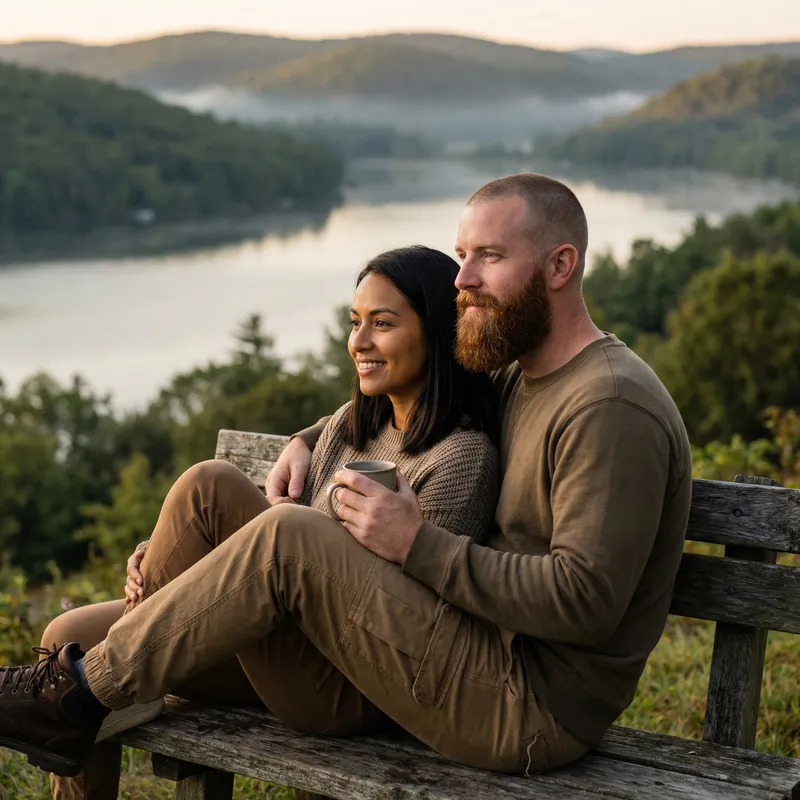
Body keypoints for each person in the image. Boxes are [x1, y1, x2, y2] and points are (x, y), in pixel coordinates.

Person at [0, 173, 693, 785]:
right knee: (74, 630)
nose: (462, 281)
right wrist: (305, 441)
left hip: (525, 709)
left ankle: (77, 696)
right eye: (461, 257)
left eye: (490, 256)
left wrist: (416, 543)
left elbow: (588, 602)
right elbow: (408, 395)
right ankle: (78, 690)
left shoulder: (609, 406)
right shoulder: (518, 370)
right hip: (458, 659)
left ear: (560, 265)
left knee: (288, 539)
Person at [17, 245, 499, 799]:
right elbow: (317, 456)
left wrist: (168, 593)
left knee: (211, 486)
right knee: (66, 640)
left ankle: (134, 643)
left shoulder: (461, 457)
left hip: (350, 680)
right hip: (279, 646)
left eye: (383, 324)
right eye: (355, 322)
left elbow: (410, 623)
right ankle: (131, 644)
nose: (359, 342)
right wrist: (299, 443)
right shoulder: (356, 423)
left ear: (437, 331)